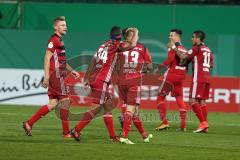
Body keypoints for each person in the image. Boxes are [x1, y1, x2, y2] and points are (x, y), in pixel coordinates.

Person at [70, 26, 139, 142]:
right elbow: (132, 45)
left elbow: (93, 59)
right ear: (119, 36)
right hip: (101, 80)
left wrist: (87, 77)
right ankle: (76, 130)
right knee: (97, 108)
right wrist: (135, 32)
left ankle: (112, 137)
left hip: (95, 79)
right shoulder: (116, 45)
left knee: (107, 107)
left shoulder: (104, 45)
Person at [23, 16, 80, 138]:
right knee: (65, 102)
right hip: (56, 76)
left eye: (65, 25)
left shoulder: (60, 40)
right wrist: (46, 77)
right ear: (56, 27)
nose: (65, 27)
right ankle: (66, 133)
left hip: (59, 76)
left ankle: (29, 123)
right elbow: (47, 58)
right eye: (62, 25)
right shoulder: (54, 40)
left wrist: (72, 71)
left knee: (53, 103)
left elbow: (62, 61)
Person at [171, 30, 213, 133]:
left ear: (198, 39)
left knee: (192, 100)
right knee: (202, 101)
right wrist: (197, 61)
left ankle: (203, 123)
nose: (192, 39)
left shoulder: (196, 48)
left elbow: (182, 56)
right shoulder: (208, 49)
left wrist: (173, 47)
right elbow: (211, 64)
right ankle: (205, 126)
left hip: (198, 78)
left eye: (193, 37)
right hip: (207, 77)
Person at [117, 27, 153, 144]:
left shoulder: (120, 46)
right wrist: (141, 71)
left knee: (133, 110)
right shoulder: (142, 47)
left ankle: (144, 134)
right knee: (131, 109)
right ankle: (124, 135)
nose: (137, 36)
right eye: (135, 34)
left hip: (121, 80)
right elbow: (150, 67)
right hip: (134, 81)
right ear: (130, 36)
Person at [155, 29, 188, 132]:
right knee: (179, 98)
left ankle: (165, 123)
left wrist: (159, 69)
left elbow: (169, 60)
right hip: (180, 76)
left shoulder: (173, 48)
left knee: (160, 98)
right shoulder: (185, 49)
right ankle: (183, 125)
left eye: (171, 35)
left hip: (171, 76)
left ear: (177, 37)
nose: (170, 37)